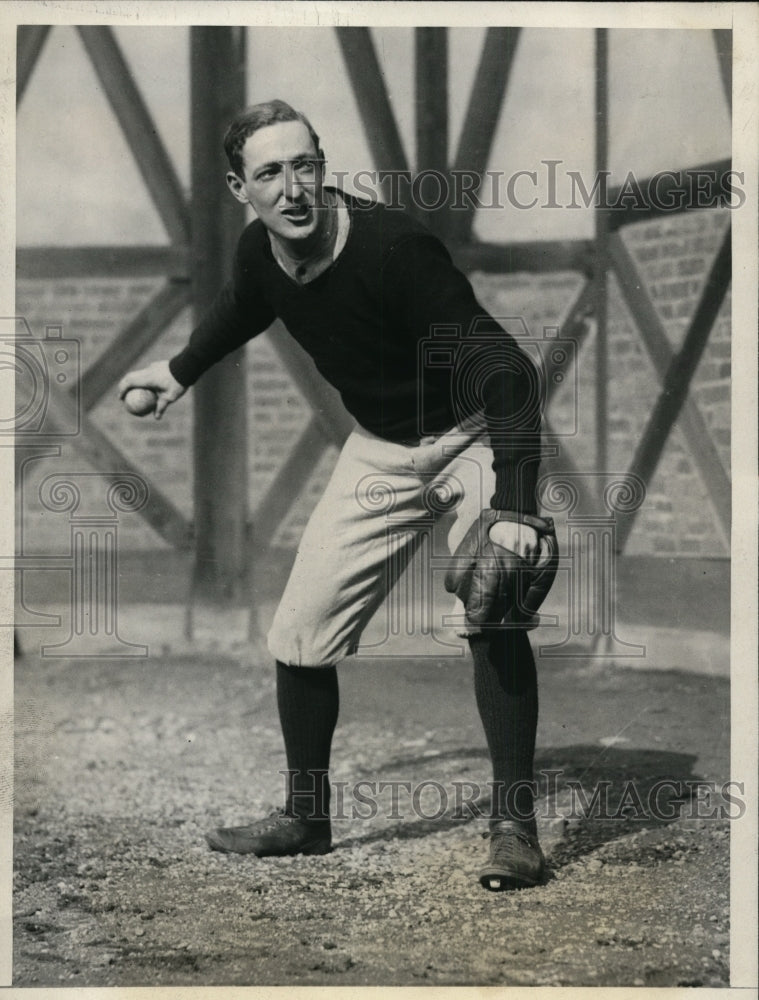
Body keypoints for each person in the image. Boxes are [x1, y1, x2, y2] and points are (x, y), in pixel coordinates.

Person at [119, 100, 557, 891]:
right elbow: (246, 305)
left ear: (324, 165)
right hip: (381, 451)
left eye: (305, 165)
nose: (293, 189)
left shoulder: (395, 252)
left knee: (494, 593)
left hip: (470, 435)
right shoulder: (261, 251)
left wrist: (517, 509)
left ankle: (515, 828)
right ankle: (305, 817)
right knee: (297, 632)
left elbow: (508, 372)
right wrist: (176, 371)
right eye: (270, 173)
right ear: (238, 187)